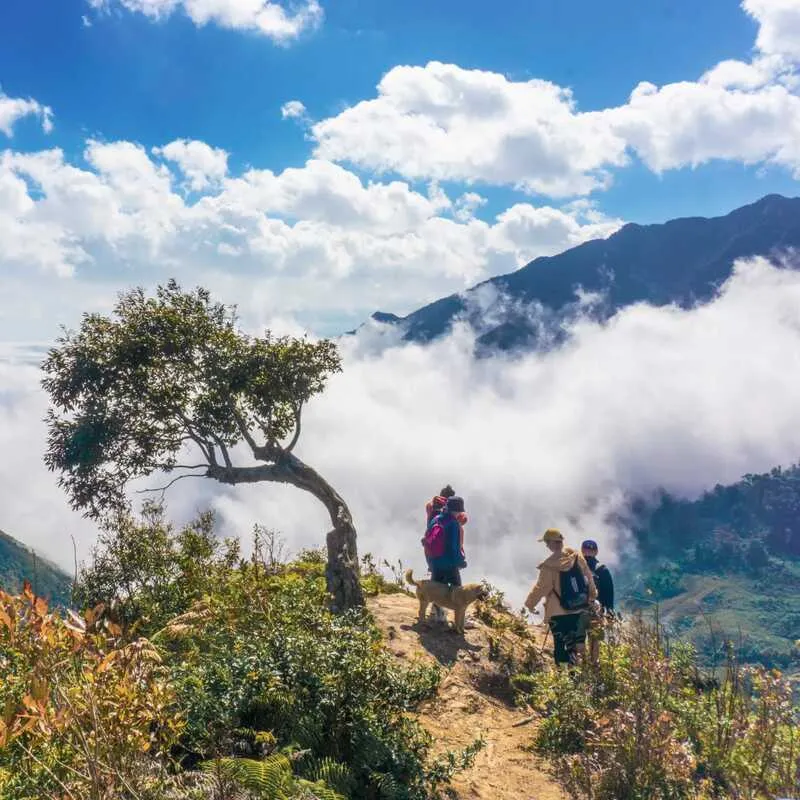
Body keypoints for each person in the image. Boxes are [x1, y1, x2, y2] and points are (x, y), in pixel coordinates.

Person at [524, 528, 597, 667]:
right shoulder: (576, 557)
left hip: (557, 613)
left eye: (547, 542)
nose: (546, 545)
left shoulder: (549, 566)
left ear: (552, 544)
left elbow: (541, 588)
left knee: (560, 644)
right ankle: (576, 673)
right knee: (576, 643)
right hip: (578, 608)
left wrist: (530, 604)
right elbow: (588, 578)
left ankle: (563, 677)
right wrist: (592, 596)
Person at [581, 539, 615, 666]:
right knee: (595, 639)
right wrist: (610, 613)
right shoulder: (602, 570)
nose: (589, 552)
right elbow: (609, 594)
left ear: (581, 550)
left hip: (577, 610)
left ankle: (582, 666)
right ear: (597, 552)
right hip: (596, 611)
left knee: (579, 639)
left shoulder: (576, 568)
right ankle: (594, 665)